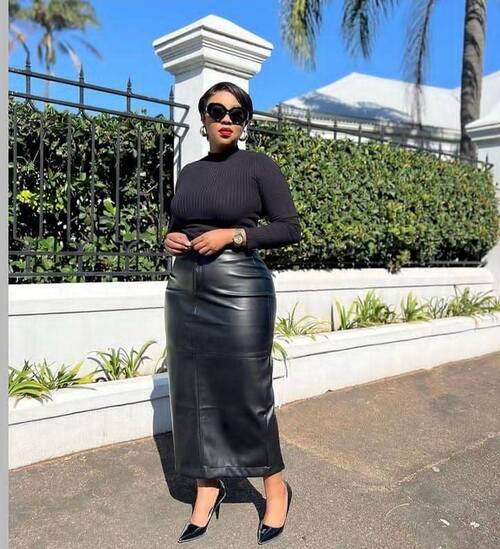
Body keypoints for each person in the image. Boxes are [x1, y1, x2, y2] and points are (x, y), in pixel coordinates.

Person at [163, 81, 300, 545]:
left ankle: (275, 488)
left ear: (244, 122)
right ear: (202, 118)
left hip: (241, 288)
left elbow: (288, 228)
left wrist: (233, 236)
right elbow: (179, 223)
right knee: (192, 391)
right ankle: (207, 487)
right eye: (217, 111)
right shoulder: (190, 173)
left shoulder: (259, 167)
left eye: (237, 114)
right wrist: (171, 239)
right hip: (185, 288)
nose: (226, 119)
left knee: (248, 391)